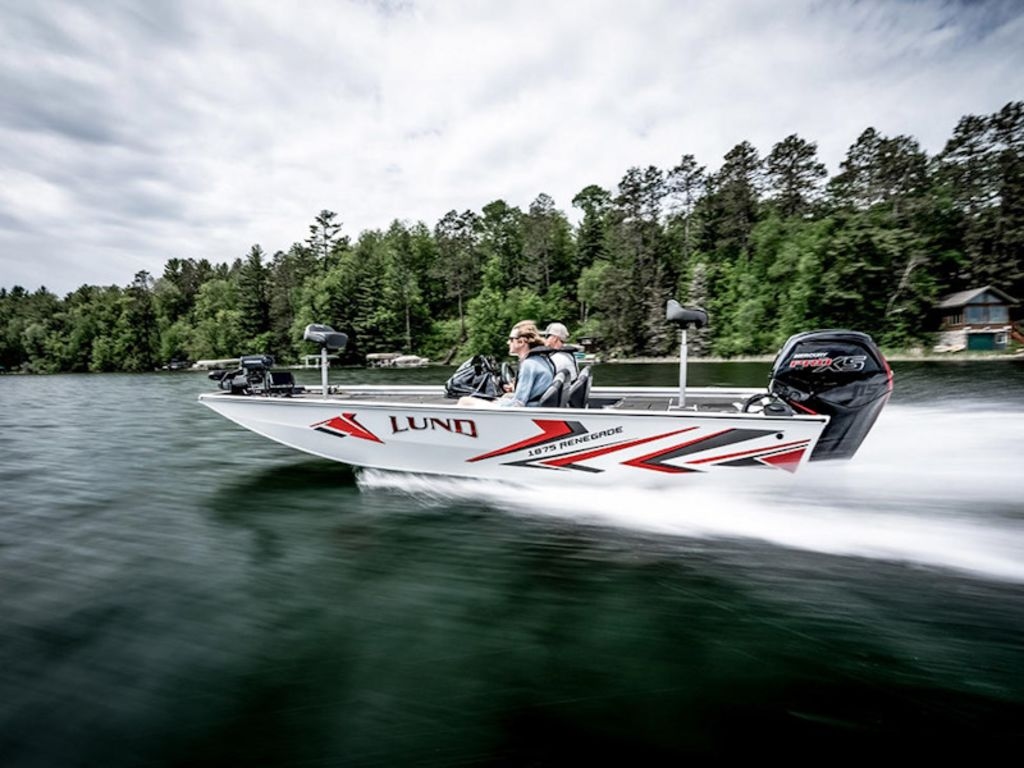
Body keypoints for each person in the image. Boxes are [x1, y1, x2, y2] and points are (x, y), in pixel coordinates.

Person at [458, 321, 554, 408]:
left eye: (511, 339)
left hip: (527, 410)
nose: (508, 342)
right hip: (534, 405)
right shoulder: (540, 360)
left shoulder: (528, 365)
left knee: (464, 401)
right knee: (501, 396)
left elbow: (518, 403)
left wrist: (495, 402)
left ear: (521, 342)